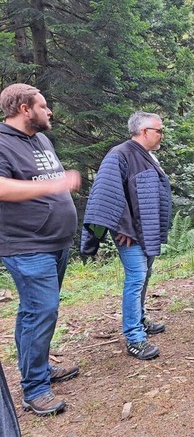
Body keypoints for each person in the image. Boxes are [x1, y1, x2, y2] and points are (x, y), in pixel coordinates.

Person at [0, 83, 81, 416]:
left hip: (55, 242)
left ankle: (38, 368)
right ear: (24, 109)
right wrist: (55, 186)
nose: (49, 112)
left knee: (34, 311)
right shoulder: (2, 142)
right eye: (44, 106)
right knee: (42, 311)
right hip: (26, 245)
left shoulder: (41, 140)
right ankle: (34, 389)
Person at [82, 112, 172, 360]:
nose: (161, 134)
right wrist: (123, 229)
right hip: (130, 234)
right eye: (159, 130)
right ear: (144, 132)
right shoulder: (120, 154)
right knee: (136, 279)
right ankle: (134, 338)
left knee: (145, 276)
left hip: (147, 230)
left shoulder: (146, 156)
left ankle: (140, 320)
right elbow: (106, 195)